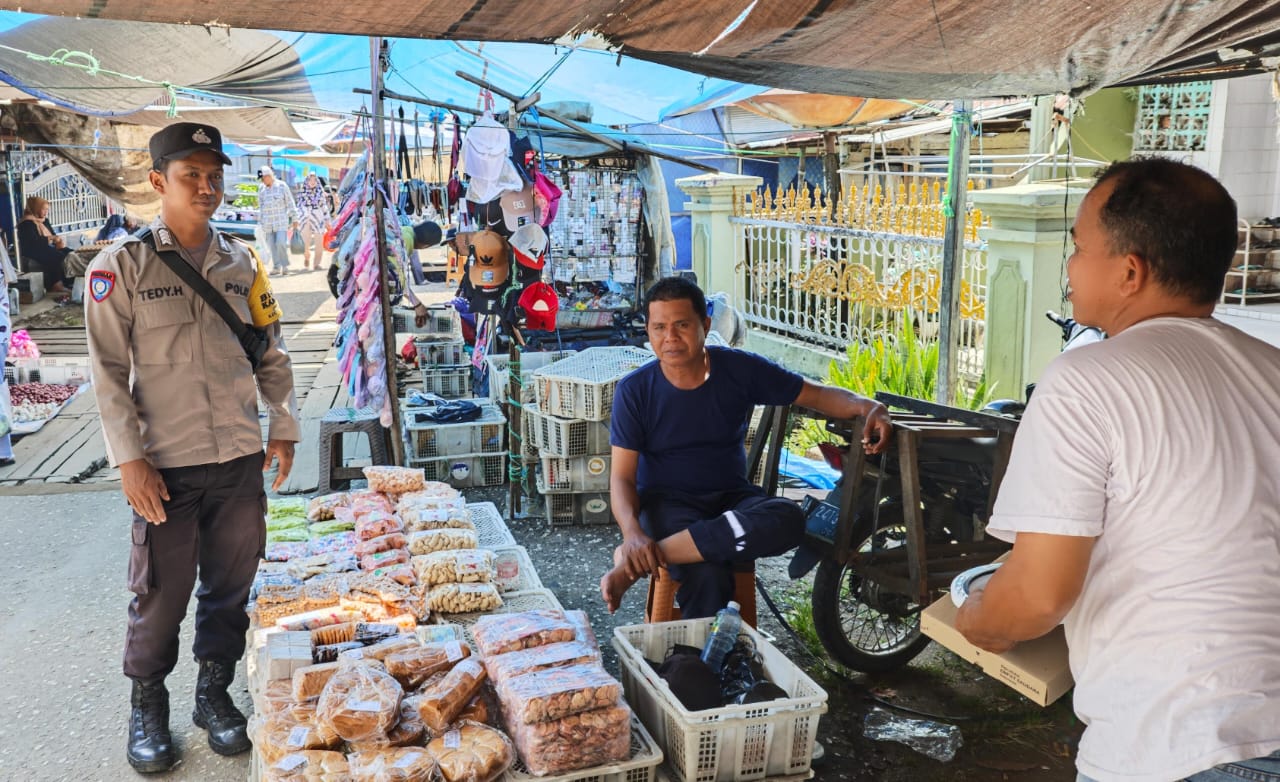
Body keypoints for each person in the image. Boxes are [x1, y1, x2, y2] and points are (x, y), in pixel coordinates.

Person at [953, 158, 1280, 782]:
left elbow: (1036, 597)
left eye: (1078, 247)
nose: (1070, 266)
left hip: (1181, 744)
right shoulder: (1274, 372)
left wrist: (976, 617)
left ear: (1130, 272)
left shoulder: (1089, 379)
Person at [85, 122, 300, 774]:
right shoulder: (119, 267)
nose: (206, 187)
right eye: (190, 176)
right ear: (157, 183)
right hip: (167, 466)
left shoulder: (243, 263)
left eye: (214, 175)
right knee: (162, 594)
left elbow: (270, 347)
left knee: (231, 586)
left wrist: (283, 420)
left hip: (237, 459)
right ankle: (148, 706)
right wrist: (129, 458)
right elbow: (105, 373)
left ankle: (213, 694)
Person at [599, 277, 893, 618]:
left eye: (681, 325)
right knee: (708, 574)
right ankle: (700, 666)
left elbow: (815, 394)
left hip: (732, 501)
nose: (670, 338)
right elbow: (621, 478)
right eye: (659, 327)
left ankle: (634, 564)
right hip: (668, 507)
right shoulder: (635, 391)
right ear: (648, 332)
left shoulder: (738, 369)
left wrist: (869, 406)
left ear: (705, 325)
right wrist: (633, 534)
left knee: (789, 518)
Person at [17, 195, 72, 297]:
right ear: (36, 208)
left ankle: (69, 282)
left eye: (47, 209)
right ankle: (56, 284)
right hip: (32, 249)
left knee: (68, 252)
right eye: (44, 209)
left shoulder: (44, 221)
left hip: (45, 247)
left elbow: (52, 234)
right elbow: (32, 242)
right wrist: (50, 239)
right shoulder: (26, 223)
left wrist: (57, 240)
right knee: (56, 256)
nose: (46, 212)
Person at [256, 165, 298, 275]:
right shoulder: (261, 189)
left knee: (280, 242)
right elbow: (260, 206)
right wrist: (259, 222)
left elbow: (290, 202)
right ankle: (276, 266)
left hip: (281, 222)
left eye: (263, 178)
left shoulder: (282, 186)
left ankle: (284, 265)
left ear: (269, 176)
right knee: (272, 245)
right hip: (268, 223)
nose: (262, 181)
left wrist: (294, 218)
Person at [295, 171, 330, 270]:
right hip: (305, 219)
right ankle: (307, 257)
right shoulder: (302, 193)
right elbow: (298, 207)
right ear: (307, 181)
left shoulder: (321, 193)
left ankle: (316, 264)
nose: (312, 182)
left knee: (319, 240)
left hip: (318, 218)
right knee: (305, 241)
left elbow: (324, 207)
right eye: (310, 179)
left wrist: (327, 220)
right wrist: (296, 219)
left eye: (314, 180)